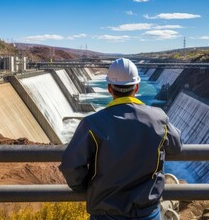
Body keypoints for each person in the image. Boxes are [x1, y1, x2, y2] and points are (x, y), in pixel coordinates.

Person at [59, 58, 182, 220]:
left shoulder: (92, 123)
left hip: (105, 214)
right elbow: (176, 146)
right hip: (147, 212)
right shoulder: (158, 118)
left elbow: (71, 166)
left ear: (109, 88)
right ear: (136, 87)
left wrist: (86, 186)